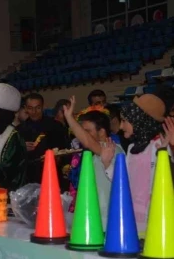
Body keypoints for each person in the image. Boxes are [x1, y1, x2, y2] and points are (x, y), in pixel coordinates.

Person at [62, 99, 124, 221]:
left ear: (102, 132)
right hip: (95, 216)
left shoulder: (112, 149)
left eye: (87, 131)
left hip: (108, 218)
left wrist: (69, 118)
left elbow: (87, 141)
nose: (82, 135)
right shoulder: (95, 154)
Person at [119, 93, 174, 230]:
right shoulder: (132, 148)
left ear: (140, 120)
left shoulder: (160, 145)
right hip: (131, 216)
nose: (121, 126)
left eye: (125, 121)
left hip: (153, 218)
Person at [18, 93, 70, 184]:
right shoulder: (19, 130)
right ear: (25, 108)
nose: (34, 112)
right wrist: (21, 147)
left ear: (43, 107)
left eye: (38, 108)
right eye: (30, 108)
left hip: (53, 173)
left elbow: (66, 149)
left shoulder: (56, 126)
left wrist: (59, 158)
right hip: (28, 176)